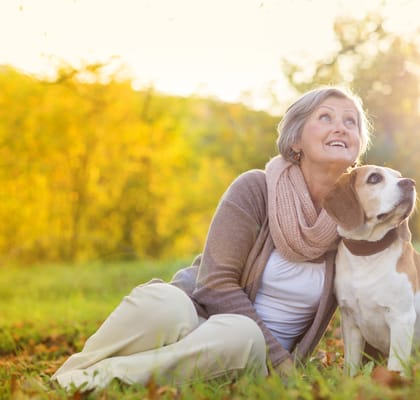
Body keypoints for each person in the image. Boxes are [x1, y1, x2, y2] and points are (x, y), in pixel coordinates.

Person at [52, 85, 373, 390]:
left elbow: (381, 292)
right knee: (162, 302)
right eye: (325, 117)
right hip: (198, 318)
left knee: (240, 334)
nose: (341, 127)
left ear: (358, 144)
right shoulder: (257, 189)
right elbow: (215, 283)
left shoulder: (357, 216)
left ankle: (98, 378)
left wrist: (281, 361)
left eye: (350, 122)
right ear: (295, 141)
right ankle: (76, 372)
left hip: (251, 355)